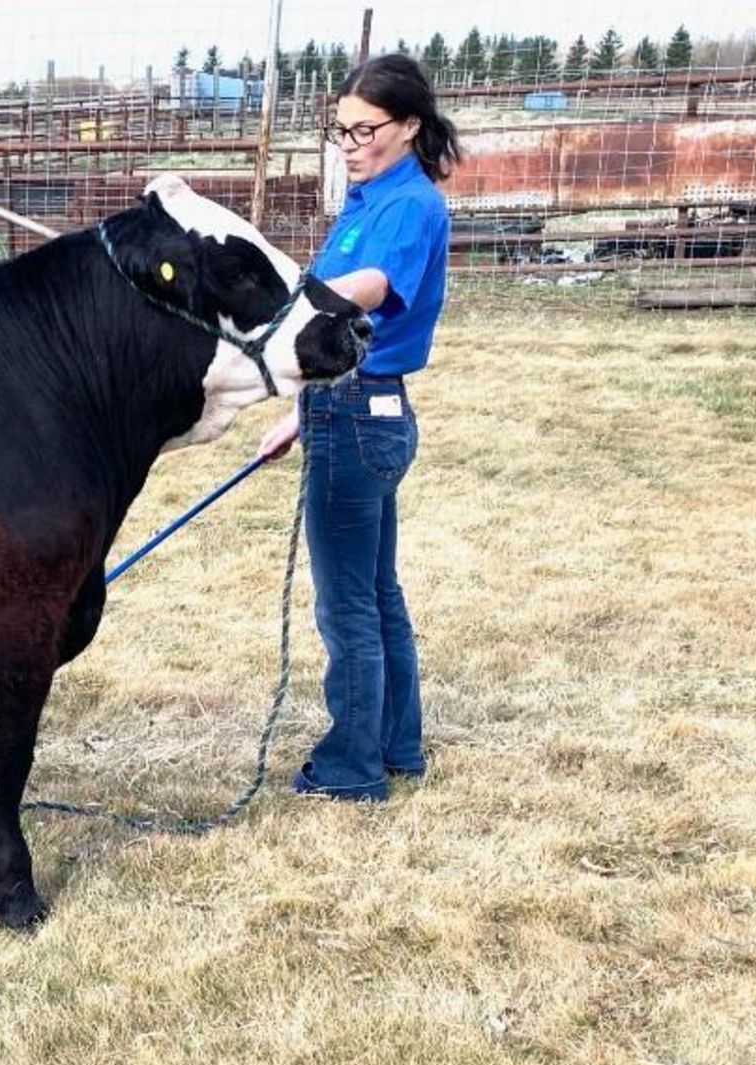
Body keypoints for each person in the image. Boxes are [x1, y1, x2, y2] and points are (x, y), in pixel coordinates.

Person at [255, 53, 459, 801]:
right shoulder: (371, 198)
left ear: (407, 126)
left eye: (364, 129)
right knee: (376, 594)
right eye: (338, 129)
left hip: (361, 417)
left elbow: (371, 289)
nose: (349, 142)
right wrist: (299, 415)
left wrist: (277, 305)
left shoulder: (410, 205)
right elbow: (341, 333)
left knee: (347, 607)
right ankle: (397, 746)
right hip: (344, 409)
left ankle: (350, 768)